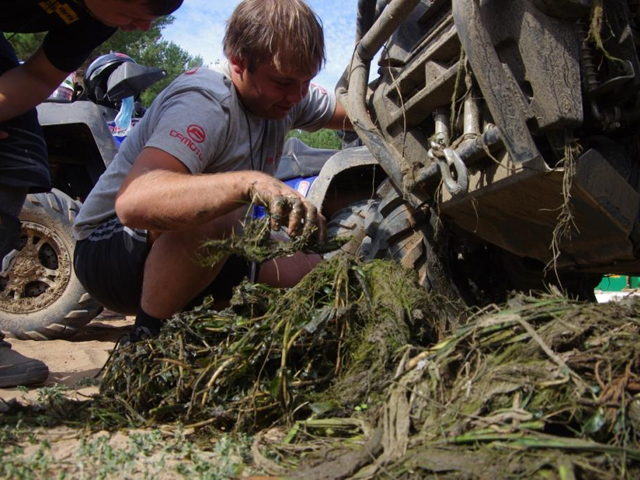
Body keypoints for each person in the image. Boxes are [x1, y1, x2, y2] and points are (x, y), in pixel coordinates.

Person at [72, 0, 352, 345]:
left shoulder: (288, 96)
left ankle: (199, 336)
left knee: (315, 267)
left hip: (191, 246)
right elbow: (133, 203)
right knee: (223, 212)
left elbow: (354, 113)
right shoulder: (205, 102)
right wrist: (249, 183)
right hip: (106, 252)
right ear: (238, 62)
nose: (295, 96)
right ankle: (146, 344)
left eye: (306, 82)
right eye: (283, 83)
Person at [0, 0, 184, 388]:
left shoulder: (96, 15)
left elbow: (36, 77)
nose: (142, 30)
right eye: (135, 15)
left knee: (17, 151)